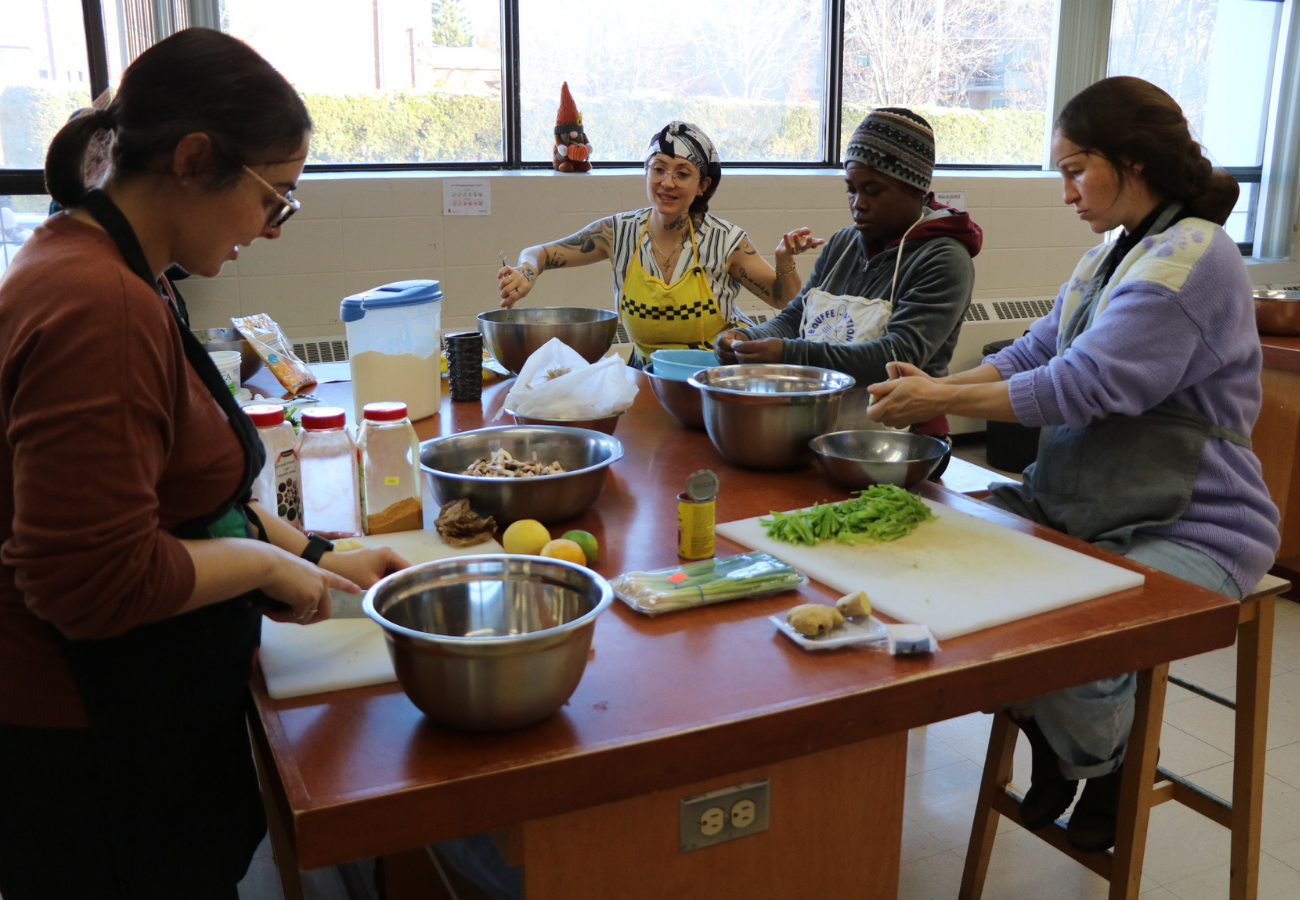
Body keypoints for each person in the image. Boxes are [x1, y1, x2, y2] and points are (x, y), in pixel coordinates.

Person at [0, 29, 406, 899]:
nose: (273, 228)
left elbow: (186, 496)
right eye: (276, 197)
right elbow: (90, 580)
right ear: (193, 158)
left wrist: (322, 559)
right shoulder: (95, 305)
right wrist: (266, 565)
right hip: (90, 744)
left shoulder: (126, 272)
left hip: (136, 718)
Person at [867, 77, 1280, 850]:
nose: (1065, 193)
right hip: (1085, 507)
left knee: (1073, 629)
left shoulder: (1195, 257)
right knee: (957, 572)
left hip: (1196, 522)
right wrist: (936, 388)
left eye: (1074, 169)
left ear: (1132, 159)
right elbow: (1033, 350)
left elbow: (1083, 385)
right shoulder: (1111, 254)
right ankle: (1069, 742)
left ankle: (1101, 752)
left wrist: (937, 397)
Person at [715, 107, 981, 464]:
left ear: (915, 188)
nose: (858, 204)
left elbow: (895, 358)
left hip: (901, 445)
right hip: (822, 431)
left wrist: (790, 355)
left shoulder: (943, 259)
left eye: (873, 191)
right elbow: (795, 318)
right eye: (852, 190)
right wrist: (749, 340)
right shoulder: (842, 245)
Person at [497, 121, 823, 364]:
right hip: (649, 377)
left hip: (717, 380)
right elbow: (540, 252)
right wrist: (527, 271)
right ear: (646, 171)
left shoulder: (726, 242)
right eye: (659, 169)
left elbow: (785, 301)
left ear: (702, 185)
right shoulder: (618, 233)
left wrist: (785, 262)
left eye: (682, 173)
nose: (667, 183)